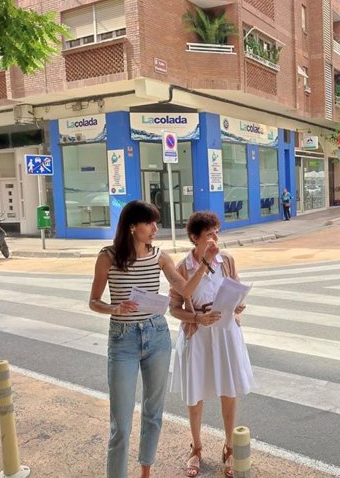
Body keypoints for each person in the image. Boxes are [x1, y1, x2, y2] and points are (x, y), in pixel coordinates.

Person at [89, 200, 219, 478]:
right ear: (133, 226)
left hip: (156, 335)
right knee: (121, 423)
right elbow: (93, 301)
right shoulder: (108, 257)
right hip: (122, 340)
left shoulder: (160, 256)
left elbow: (184, 289)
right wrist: (114, 308)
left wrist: (205, 263)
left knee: (153, 412)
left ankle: (146, 472)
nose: (155, 228)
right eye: (150, 223)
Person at [169, 211, 255, 478]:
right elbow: (174, 307)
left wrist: (238, 305)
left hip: (225, 333)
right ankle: (196, 448)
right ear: (195, 238)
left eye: (216, 232)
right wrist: (197, 317)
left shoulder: (226, 260)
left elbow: (235, 289)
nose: (215, 239)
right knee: (195, 394)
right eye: (209, 234)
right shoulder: (183, 266)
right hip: (197, 334)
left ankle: (229, 447)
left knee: (228, 390)